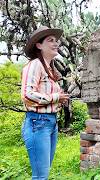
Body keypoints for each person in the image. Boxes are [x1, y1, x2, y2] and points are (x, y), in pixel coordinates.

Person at [21, 26, 69, 180]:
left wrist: (60, 100)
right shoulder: (34, 64)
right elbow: (27, 94)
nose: (56, 44)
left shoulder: (48, 68)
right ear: (39, 45)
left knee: (44, 174)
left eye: (56, 41)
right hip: (38, 123)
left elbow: (46, 94)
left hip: (49, 122)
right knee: (41, 176)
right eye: (50, 40)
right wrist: (55, 97)